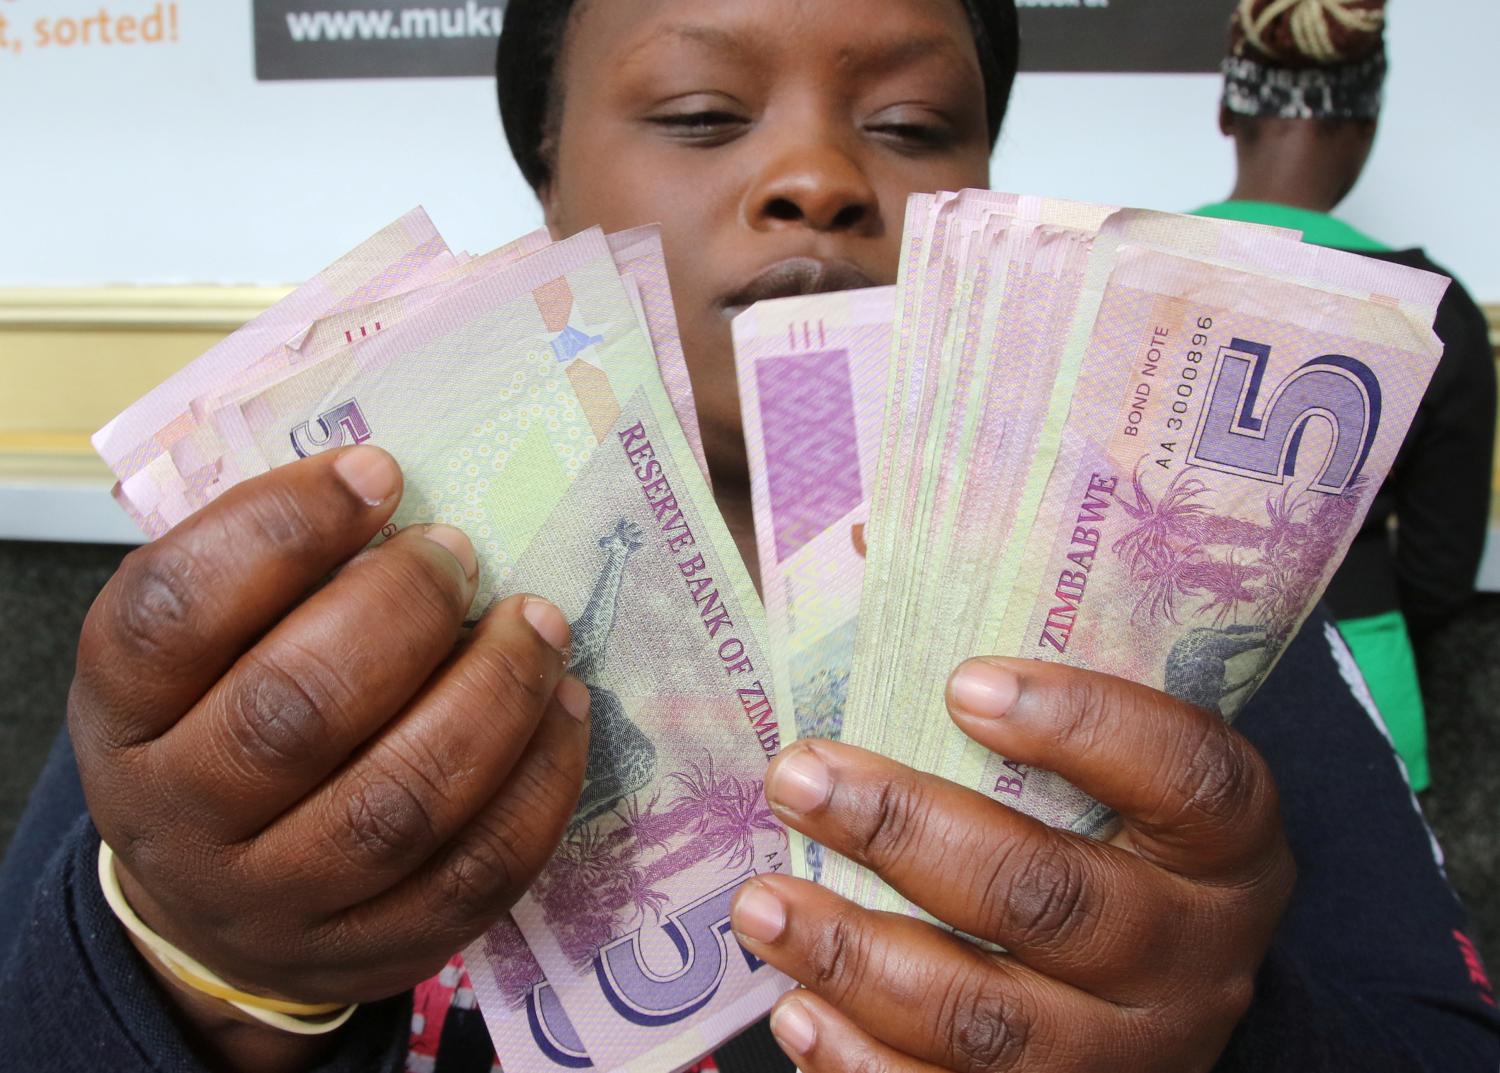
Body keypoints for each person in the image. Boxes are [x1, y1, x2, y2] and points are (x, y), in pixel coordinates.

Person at [2, 1, 1497, 1071]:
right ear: (547, 172)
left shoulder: (1184, 627)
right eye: (703, 114)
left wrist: (1228, 1028)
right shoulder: (289, 623)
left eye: (913, 125)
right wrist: (195, 963)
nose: (822, 180)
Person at [1193, 0, 1498, 792]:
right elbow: (1437, 575)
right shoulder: (1436, 307)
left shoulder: (1134, 262)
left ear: (1229, 109)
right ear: (1366, 123)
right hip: (1359, 686)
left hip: (1163, 678)